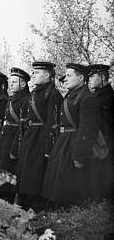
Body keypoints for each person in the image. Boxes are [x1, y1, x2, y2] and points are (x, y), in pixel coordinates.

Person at [42, 63, 102, 206]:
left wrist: (79, 155)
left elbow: (87, 129)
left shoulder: (88, 98)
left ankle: (70, 211)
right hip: (64, 141)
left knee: (71, 185)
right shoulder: (71, 95)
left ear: (81, 78)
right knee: (58, 182)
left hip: (74, 143)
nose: (65, 79)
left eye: (69, 76)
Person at [16, 61, 63, 211]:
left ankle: (35, 206)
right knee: (26, 170)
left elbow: (52, 122)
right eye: (33, 72)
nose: (33, 75)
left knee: (36, 172)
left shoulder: (53, 94)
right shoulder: (35, 92)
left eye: (37, 72)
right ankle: (24, 202)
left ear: (47, 75)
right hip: (31, 135)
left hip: (41, 138)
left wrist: (48, 147)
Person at [0, 67, 31, 201]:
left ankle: (7, 197)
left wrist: (15, 146)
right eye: (11, 81)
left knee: (10, 167)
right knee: (1, 166)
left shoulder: (26, 100)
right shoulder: (11, 99)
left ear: (23, 84)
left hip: (14, 138)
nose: (11, 84)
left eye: (15, 82)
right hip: (5, 137)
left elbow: (23, 126)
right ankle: (0, 194)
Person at [87, 63, 113, 198]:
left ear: (102, 77)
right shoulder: (95, 96)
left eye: (92, 76)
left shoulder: (109, 97)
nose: (89, 79)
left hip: (106, 142)